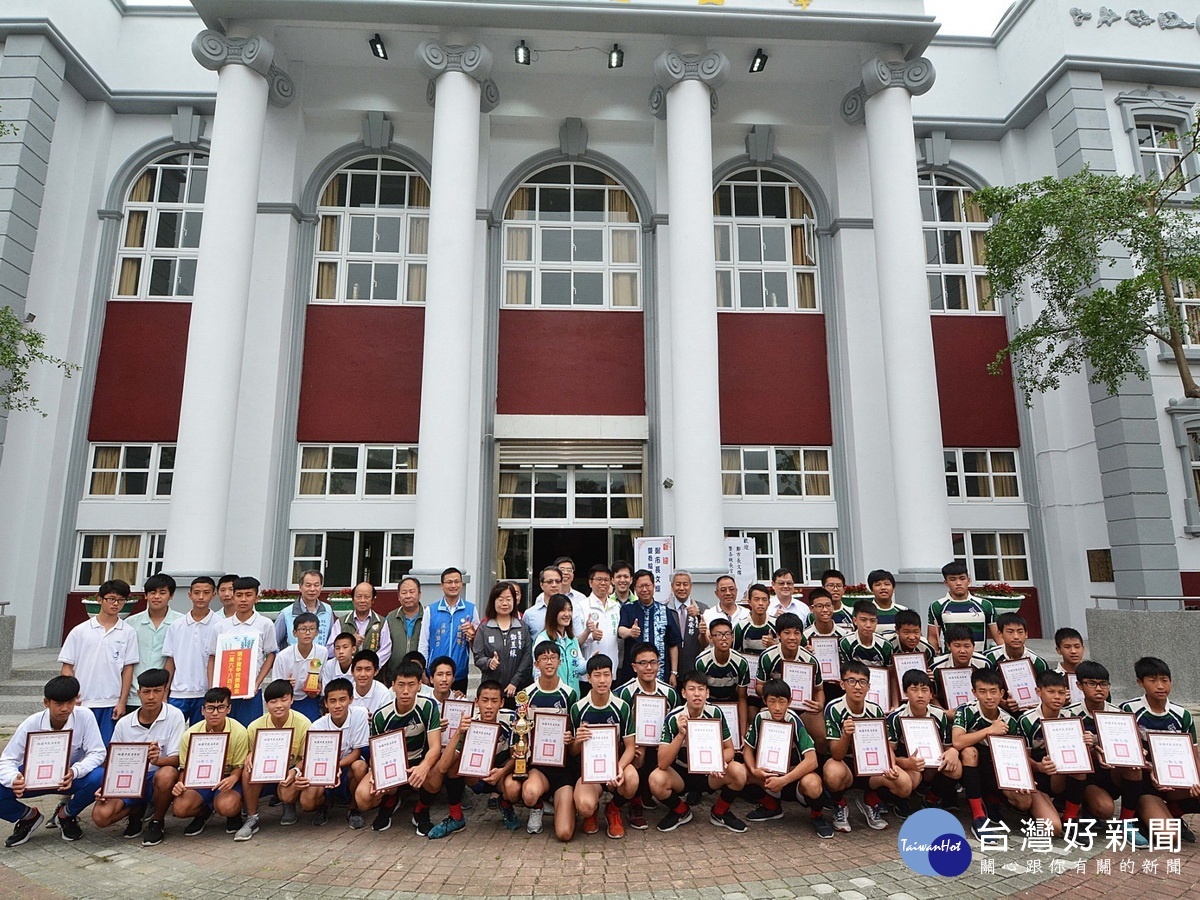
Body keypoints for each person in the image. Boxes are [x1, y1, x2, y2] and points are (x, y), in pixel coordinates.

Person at [0, 676, 105, 846]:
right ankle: (27, 817)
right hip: (32, 779)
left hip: (68, 778)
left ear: (76, 700)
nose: (65, 708)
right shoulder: (31, 723)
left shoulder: (85, 716)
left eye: (70, 702)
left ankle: (66, 815)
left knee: (99, 777)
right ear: (46, 702)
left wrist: (75, 771)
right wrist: (14, 779)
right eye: (58, 704)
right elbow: (7, 759)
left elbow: (98, 752)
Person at [91, 668, 184, 846]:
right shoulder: (124, 723)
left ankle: (157, 821)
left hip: (155, 778)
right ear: (138, 693)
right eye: (146, 691)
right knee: (101, 817)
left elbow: (178, 759)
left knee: (167, 774)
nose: (151, 697)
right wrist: (105, 788)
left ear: (165, 691)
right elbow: (112, 761)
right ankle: (136, 809)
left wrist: (158, 760)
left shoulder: (174, 716)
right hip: (128, 780)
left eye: (157, 691)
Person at [651, 670, 747, 833]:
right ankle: (681, 811)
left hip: (709, 773)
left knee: (739, 771)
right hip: (681, 774)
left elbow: (730, 749)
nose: (697, 694)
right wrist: (681, 735)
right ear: (683, 692)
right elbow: (662, 762)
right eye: (692, 689)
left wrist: (719, 762)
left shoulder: (715, 713)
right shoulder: (673, 718)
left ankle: (720, 812)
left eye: (701, 689)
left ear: (707, 693)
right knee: (656, 779)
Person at [357, 661, 443, 835]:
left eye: (411, 685)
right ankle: (390, 800)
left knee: (434, 777)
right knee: (363, 797)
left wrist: (423, 767)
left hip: (418, 761)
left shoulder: (428, 706)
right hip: (391, 766)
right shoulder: (380, 716)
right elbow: (376, 755)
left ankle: (421, 810)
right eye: (401, 685)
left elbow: (435, 747)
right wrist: (377, 776)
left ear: (420, 685)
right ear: (393, 686)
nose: (405, 691)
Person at [1121, 656, 1200, 842]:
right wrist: (1151, 771)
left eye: (1164, 680)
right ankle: (1129, 819)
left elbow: (1193, 755)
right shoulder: (1129, 709)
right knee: (1169, 837)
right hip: (1144, 782)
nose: (1160, 686)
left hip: (1173, 781)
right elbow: (1124, 753)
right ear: (1140, 682)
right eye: (1152, 680)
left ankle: (1173, 813)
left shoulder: (1182, 715)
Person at [823, 660, 907, 832]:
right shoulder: (834, 708)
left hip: (870, 766)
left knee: (903, 784)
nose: (857, 687)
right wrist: (846, 735)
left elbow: (884, 746)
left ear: (869, 686)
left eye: (862, 682)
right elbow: (836, 754)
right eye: (851, 681)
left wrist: (891, 766)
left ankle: (870, 800)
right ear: (842, 684)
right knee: (832, 772)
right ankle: (839, 804)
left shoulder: (875, 710)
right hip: (845, 765)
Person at [742, 678, 831, 838]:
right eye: (772, 702)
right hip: (770, 778)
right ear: (764, 701)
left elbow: (812, 760)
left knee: (812, 783)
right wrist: (754, 770)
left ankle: (817, 815)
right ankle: (771, 807)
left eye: (782, 702)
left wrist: (784, 781)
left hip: (794, 780)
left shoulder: (794, 720)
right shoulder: (760, 718)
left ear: (789, 701)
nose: (777, 707)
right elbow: (748, 749)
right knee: (742, 772)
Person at [431, 679, 519, 837]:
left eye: (494, 701)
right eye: (485, 701)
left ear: (502, 702)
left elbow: (517, 756)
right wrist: (458, 732)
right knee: (453, 763)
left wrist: (502, 771)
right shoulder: (469, 722)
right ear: (477, 702)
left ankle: (505, 804)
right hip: (475, 777)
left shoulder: (512, 720)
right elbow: (443, 766)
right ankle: (456, 817)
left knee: (513, 789)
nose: (489, 706)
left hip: (501, 775)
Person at [59, 578, 140, 744]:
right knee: (77, 746)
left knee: (105, 749)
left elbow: (128, 669)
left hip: (110, 703)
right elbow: (67, 667)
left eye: (121, 600)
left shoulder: (128, 632)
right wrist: (71, 696)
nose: (115, 604)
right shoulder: (80, 631)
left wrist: (122, 701)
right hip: (83, 702)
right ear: (100, 599)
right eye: (111, 599)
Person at [511, 641, 579, 837]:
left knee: (564, 833)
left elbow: (575, 742)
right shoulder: (526, 695)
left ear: (559, 661)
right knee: (530, 794)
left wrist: (571, 739)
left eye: (553, 658)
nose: (549, 663)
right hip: (538, 767)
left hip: (563, 768)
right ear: (536, 664)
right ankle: (538, 806)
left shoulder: (569, 694)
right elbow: (519, 732)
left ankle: (565, 805)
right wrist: (518, 750)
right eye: (544, 659)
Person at [1065, 659, 1139, 837]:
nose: (1099, 689)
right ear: (1079, 685)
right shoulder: (1069, 714)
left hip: (1111, 773)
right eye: (1092, 683)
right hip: (1084, 776)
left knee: (1135, 768)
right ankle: (1071, 817)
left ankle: (1127, 823)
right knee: (1104, 809)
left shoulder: (1119, 715)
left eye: (1103, 684)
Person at [569, 654, 639, 839]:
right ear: (588, 678)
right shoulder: (578, 708)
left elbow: (630, 747)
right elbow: (573, 752)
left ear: (612, 676)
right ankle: (592, 811)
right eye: (597, 675)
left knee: (631, 779)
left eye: (606, 675)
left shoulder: (622, 707)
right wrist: (577, 740)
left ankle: (613, 809)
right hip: (588, 771)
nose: (602, 680)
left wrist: (620, 767)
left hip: (613, 767)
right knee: (584, 806)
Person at [234, 679, 312, 841]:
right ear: (266, 704)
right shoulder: (255, 727)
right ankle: (252, 817)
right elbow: (249, 753)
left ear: (291, 699)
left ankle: (288, 804)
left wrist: (295, 770)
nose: (279, 705)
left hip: (289, 772)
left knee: (288, 794)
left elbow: (307, 757)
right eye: (273, 701)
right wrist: (250, 756)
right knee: (248, 769)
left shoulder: (304, 724)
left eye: (283, 700)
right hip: (265, 772)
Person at [614, 642, 680, 830]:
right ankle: (636, 804)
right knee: (638, 751)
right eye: (643, 663)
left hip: (661, 747)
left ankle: (648, 793)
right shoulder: (623, 693)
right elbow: (617, 729)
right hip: (634, 748)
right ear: (634, 667)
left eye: (653, 662)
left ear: (659, 665)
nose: (649, 667)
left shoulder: (670, 693)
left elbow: (675, 726)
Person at [1014, 670, 1085, 836]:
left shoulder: (1072, 717)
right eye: (1051, 692)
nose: (1057, 697)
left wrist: (1086, 744)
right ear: (1039, 692)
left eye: (1061, 693)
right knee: (1053, 828)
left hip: (1062, 776)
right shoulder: (1027, 720)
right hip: (1038, 779)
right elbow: (1023, 758)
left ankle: (1070, 817)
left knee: (1080, 767)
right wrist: (1039, 767)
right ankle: (1042, 808)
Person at [951, 667, 1020, 839]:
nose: (988, 697)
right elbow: (958, 741)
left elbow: (1014, 755)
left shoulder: (1009, 720)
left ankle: (993, 800)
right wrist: (990, 730)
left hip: (994, 767)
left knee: (1023, 802)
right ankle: (978, 816)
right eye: (982, 692)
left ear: (1001, 693)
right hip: (970, 765)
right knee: (969, 751)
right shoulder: (965, 711)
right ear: (974, 692)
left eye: (993, 692)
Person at [171, 687, 248, 836]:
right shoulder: (190, 734)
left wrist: (233, 777)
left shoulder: (239, 732)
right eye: (210, 708)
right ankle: (203, 812)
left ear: (229, 709)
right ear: (202, 710)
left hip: (227, 778)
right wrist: (181, 783)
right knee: (180, 808)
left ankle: (234, 814)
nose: (215, 713)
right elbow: (185, 768)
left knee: (227, 806)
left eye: (220, 708)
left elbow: (239, 765)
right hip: (200, 779)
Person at [886, 670, 961, 819]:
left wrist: (953, 751)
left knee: (956, 767)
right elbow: (889, 752)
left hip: (932, 759)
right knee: (912, 777)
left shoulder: (940, 715)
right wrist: (906, 763)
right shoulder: (896, 717)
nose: (920, 695)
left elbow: (947, 746)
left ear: (931, 694)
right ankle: (901, 800)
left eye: (925, 690)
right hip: (907, 760)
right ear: (905, 693)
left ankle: (931, 796)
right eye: (914, 690)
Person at [297, 678, 370, 829]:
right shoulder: (317, 726)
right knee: (306, 802)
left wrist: (337, 765)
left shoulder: (359, 715)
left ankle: (353, 809)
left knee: (360, 766)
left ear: (351, 699)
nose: (337, 706)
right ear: (325, 703)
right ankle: (324, 805)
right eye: (332, 701)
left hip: (347, 766)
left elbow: (357, 752)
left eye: (342, 700)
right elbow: (313, 758)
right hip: (324, 769)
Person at [206, 576, 278, 727]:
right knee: (224, 731)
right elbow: (212, 657)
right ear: (232, 597)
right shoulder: (221, 626)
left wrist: (256, 684)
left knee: (250, 731)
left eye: (248, 595)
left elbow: (270, 655)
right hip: (224, 692)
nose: (243, 599)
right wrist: (213, 686)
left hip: (250, 691)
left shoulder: (265, 624)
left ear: (256, 598)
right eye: (239, 595)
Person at [756, 613, 825, 753]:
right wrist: (774, 694)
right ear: (778, 635)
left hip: (803, 708)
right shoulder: (767, 657)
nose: (792, 637)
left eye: (797, 633)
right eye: (787, 633)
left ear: (801, 635)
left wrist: (820, 705)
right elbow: (759, 686)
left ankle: (818, 768)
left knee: (821, 736)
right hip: (776, 706)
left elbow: (819, 690)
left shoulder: (810, 659)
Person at [162, 576, 221, 724]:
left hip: (205, 693)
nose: (201, 597)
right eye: (196, 592)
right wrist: (165, 691)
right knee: (172, 734)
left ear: (214, 595)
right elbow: (170, 660)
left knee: (201, 736)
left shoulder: (220, 625)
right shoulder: (176, 625)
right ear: (190, 595)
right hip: (178, 692)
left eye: (206, 592)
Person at [124, 573, 182, 710]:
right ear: (146, 595)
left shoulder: (180, 623)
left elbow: (174, 659)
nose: (157, 597)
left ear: (171, 596)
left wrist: (165, 692)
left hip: (166, 695)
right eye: (152, 592)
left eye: (162, 593)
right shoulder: (130, 623)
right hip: (134, 694)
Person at [418, 567, 479, 694]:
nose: (453, 585)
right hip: (435, 673)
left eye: (457, 582)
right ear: (442, 585)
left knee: (456, 710)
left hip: (459, 673)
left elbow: (477, 644)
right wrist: (423, 670)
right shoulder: (431, 610)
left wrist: (473, 635)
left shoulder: (470, 609)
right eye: (449, 582)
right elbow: (424, 643)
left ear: (461, 584)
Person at [694, 617, 750, 751]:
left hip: (731, 704)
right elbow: (699, 695)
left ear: (732, 637)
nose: (723, 638)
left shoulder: (741, 663)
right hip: (708, 704)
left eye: (727, 634)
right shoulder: (701, 662)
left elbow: (742, 698)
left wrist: (743, 731)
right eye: (718, 635)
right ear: (711, 638)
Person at [616, 569, 682, 685]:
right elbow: (621, 631)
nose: (644, 589)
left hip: (660, 673)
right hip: (633, 674)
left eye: (647, 585)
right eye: (640, 586)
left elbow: (673, 643)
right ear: (635, 589)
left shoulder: (664, 610)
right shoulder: (628, 609)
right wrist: (630, 632)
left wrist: (674, 672)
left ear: (654, 586)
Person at [472, 581, 532, 706]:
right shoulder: (485, 628)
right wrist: (489, 662)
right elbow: (478, 657)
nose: (505, 603)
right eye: (500, 599)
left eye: (508, 599)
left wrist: (514, 682)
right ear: (493, 602)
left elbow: (527, 657)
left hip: (518, 690)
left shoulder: (522, 627)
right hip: (492, 691)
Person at [926, 561, 999, 654]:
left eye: (962, 578)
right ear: (946, 583)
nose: (958, 583)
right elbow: (933, 637)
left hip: (980, 660)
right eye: (953, 579)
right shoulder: (937, 606)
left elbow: (998, 636)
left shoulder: (985, 605)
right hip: (951, 662)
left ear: (968, 581)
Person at [985, 612, 1048, 713]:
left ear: (1026, 634)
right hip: (998, 710)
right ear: (1000, 634)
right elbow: (983, 688)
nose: (1016, 637)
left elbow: (1045, 690)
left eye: (1020, 632)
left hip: (1032, 711)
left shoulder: (1038, 662)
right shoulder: (990, 658)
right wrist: (1002, 703)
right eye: (1010, 632)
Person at [272, 612, 328, 721]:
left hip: (311, 699)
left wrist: (318, 688)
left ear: (317, 632)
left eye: (312, 629)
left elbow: (323, 679)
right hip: (288, 701)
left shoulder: (322, 652)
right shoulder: (283, 656)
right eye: (303, 629)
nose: (307, 633)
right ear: (294, 633)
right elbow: (275, 685)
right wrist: (286, 685)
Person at [532, 594, 587, 698]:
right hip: (553, 698)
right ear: (553, 613)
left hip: (573, 697)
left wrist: (590, 663)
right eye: (562, 610)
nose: (567, 614)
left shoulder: (572, 639)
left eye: (569, 610)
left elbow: (578, 666)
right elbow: (538, 672)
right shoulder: (543, 639)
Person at [734, 583, 777, 706]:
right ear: (749, 602)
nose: (760, 603)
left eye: (764, 600)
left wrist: (773, 645)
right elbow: (735, 655)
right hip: (749, 683)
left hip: (772, 683)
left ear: (769, 603)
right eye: (756, 599)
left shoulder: (776, 624)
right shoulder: (741, 627)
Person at [930, 623, 990, 708]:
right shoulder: (937, 666)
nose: (962, 651)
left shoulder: (984, 664)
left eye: (967, 646)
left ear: (973, 646)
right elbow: (932, 696)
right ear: (948, 646)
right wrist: (944, 713)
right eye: (957, 646)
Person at [274, 569, 337, 650]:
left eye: (316, 585)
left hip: (319, 661)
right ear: (300, 587)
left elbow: (330, 640)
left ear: (321, 587)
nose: (312, 589)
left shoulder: (327, 610)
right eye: (308, 585)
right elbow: (274, 643)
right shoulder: (286, 613)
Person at [337, 582, 392, 671]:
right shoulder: (341, 622)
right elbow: (331, 648)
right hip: (347, 672)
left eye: (366, 597)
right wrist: (351, 642)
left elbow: (386, 649)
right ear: (353, 599)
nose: (362, 600)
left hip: (374, 673)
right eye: (358, 597)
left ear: (373, 600)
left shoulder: (381, 622)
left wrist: (370, 665)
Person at [667, 571, 709, 676]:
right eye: (678, 584)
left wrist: (699, 616)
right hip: (670, 668)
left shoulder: (703, 609)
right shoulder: (664, 609)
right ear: (672, 587)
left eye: (685, 584)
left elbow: (706, 643)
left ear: (691, 587)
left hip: (694, 668)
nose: (681, 588)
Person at [525, 566, 588, 637]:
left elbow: (577, 640)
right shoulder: (530, 614)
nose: (554, 585)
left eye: (558, 581)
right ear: (541, 585)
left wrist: (587, 631)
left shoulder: (572, 610)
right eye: (549, 582)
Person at [383, 576, 424, 682]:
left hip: (421, 676)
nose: (408, 596)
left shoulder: (428, 616)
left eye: (412, 592)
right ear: (398, 596)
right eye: (404, 592)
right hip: (395, 676)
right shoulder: (390, 618)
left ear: (419, 594)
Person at [582, 564, 622, 674]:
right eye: (599, 579)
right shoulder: (581, 606)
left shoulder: (616, 606)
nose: (603, 583)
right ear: (590, 582)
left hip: (612, 669)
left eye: (606, 580)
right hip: (589, 671)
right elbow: (576, 641)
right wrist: (591, 636)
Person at [839, 599, 894, 669]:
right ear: (855, 621)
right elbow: (845, 671)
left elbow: (889, 671)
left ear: (877, 622)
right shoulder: (845, 643)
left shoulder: (885, 645)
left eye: (872, 621)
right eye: (863, 620)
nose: (868, 625)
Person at [348, 650, 394, 715]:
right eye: (359, 669)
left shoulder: (383, 693)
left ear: (376, 671)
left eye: (368, 669)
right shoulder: (347, 692)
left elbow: (385, 720)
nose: (362, 674)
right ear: (352, 672)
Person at [866, 569, 907, 638]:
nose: (883, 588)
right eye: (878, 585)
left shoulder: (903, 611)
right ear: (871, 589)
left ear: (893, 588)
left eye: (887, 584)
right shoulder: (865, 612)